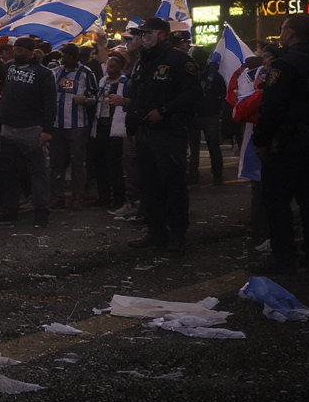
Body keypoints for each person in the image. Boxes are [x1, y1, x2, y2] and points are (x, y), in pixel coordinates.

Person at [252, 14, 309, 273]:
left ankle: (283, 257)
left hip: (289, 140)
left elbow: (273, 107)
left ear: (290, 33)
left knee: (277, 199)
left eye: (282, 29)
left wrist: (262, 140)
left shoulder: (285, 64)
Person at [124, 18, 201, 253]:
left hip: (170, 132)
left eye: (147, 33)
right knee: (150, 186)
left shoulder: (179, 59)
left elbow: (192, 93)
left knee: (173, 186)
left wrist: (165, 110)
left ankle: (177, 234)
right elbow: (137, 95)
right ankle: (156, 231)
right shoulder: (143, 61)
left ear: (162, 34)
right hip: (146, 133)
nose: (143, 38)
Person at [0, 36, 56, 227]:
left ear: (29, 52)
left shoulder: (43, 73)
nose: (16, 53)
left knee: (37, 172)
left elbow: (51, 103)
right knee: (8, 172)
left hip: (31, 129)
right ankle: (11, 211)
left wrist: (47, 130)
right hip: (8, 128)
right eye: (14, 50)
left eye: (19, 50)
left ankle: (41, 213)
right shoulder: (9, 68)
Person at [50, 43, 98, 209]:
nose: (63, 59)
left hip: (78, 124)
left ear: (73, 57)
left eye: (65, 56)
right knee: (57, 161)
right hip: (57, 124)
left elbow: (95, 98)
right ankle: (58, 194)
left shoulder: (87, 73)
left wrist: (85, 100)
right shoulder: (55, 73)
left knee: (77, 161)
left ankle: (78, 195)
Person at [93, 53, 131, 216]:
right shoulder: (103, 81)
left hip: (115, 127)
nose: (109, 69)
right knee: (100, 163)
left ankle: (118, 198)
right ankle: (103, 196)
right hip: (101, 124)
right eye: (108, 65)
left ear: (121, 67)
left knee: (115, 164)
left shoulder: (125, 82)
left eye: (113, 66)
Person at [189, 47, 226, 186]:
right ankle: (211, 174)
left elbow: (222, 92)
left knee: (203, 147)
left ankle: (207, 174)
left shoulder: (211, 74)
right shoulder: (211, 74)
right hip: (201, 114)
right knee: (208, 147)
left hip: (205, 114)